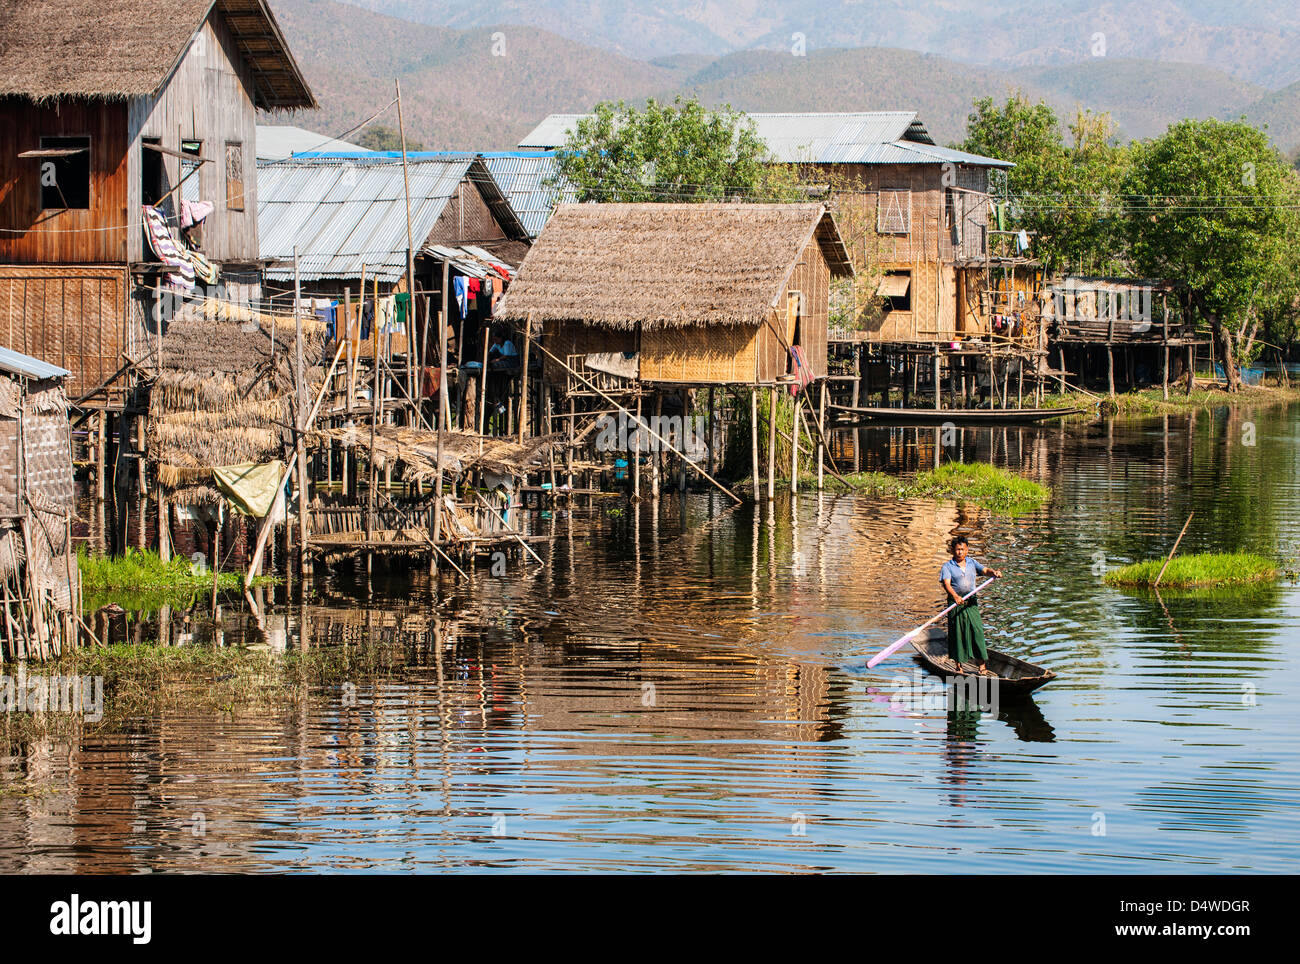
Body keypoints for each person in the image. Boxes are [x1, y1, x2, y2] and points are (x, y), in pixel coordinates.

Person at [939, 536, 1002, 674]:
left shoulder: (972, 563)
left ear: (967, 550)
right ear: (952, 551)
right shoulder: (947, 566)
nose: (960, 552)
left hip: (971, 602)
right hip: (955, 603)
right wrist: (955, 596)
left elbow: (985, 570)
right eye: (957, 549)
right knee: (957, 633)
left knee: (977, 631)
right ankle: (958, 666)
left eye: (962, 549)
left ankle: (982, 666)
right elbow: (947, 584)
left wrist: (994, 573)